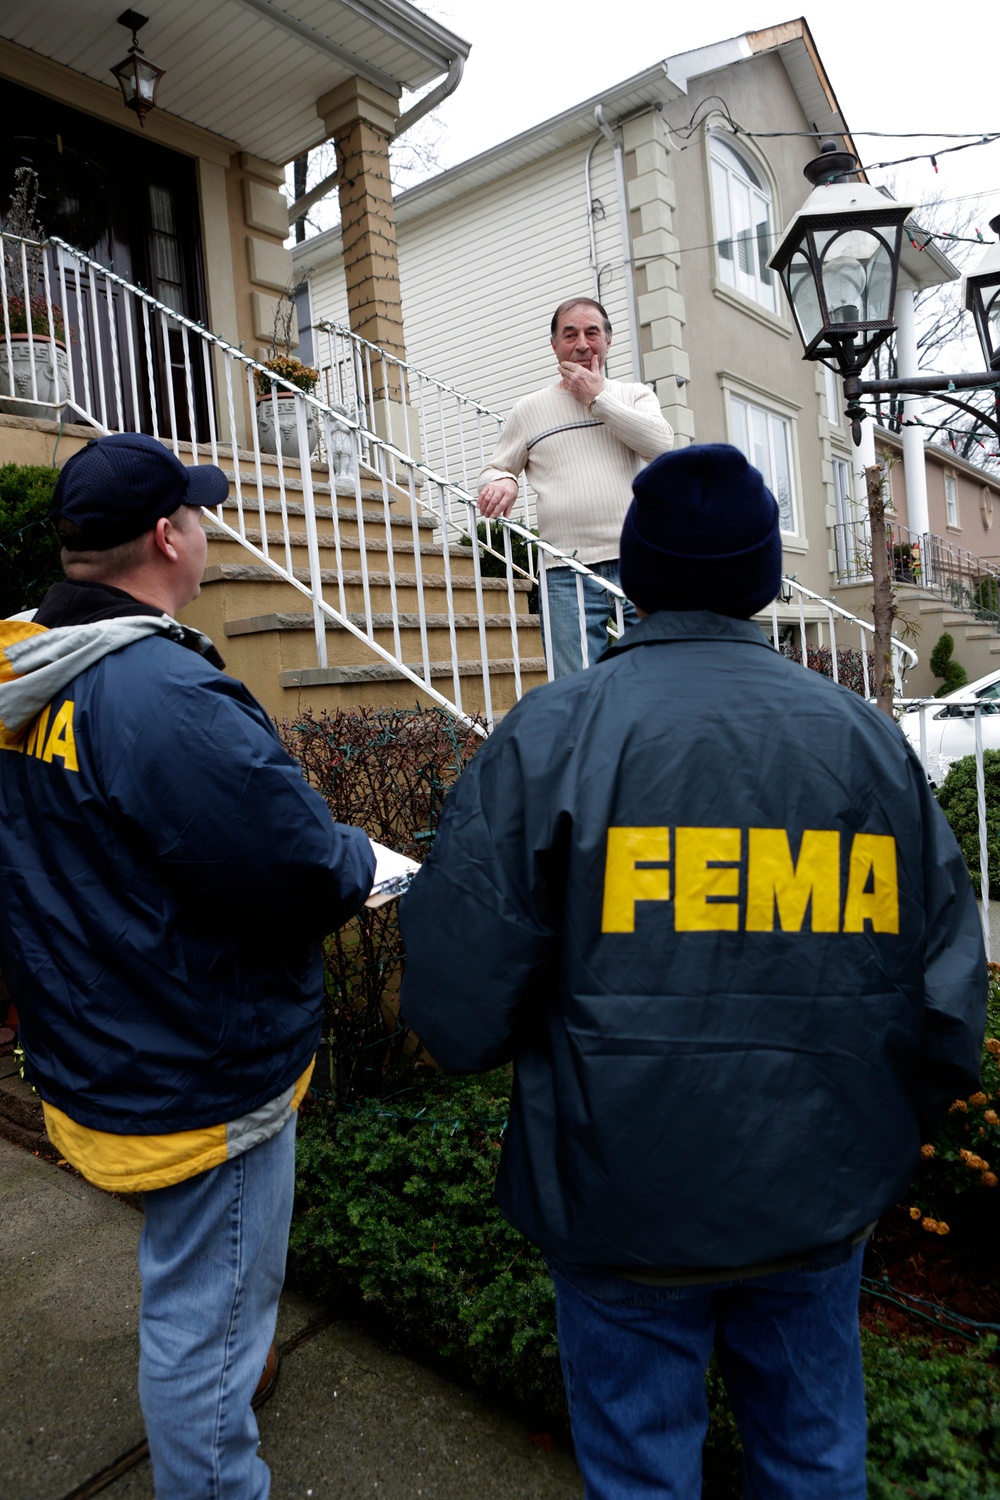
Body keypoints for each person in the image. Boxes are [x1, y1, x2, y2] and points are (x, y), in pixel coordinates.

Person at [400, 443, 987, 1500]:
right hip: (815, 1185)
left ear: (633, 572)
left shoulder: (551, 735)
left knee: (638, 1475)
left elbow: (455, 997)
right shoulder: (863, 740)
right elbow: (946, 987)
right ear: (765, 577)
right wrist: (882, 1127)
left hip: (617, 1189)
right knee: (812, 1460)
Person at [0, 433, 375, 1500]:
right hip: (202, 1064)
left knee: (191, 1283)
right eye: (199, 514)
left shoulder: (24, 672)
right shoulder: (158, 695)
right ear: (167, 536)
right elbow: (300, 869)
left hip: (102, 1040)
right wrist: (358, 856)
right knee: (200, 1321)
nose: (208, 528)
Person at [477, 296, 673, 676]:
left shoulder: (634, 395)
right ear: (554, 345)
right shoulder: (529, 409)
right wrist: (503, 479)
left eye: (592, 332)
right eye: (570, 335)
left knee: (658, 674)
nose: (582, 343)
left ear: (608, 341)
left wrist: (596, 399)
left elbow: (661, 446)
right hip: (565, 569)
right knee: (576, 687)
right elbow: (493, 469)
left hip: (639, 562)